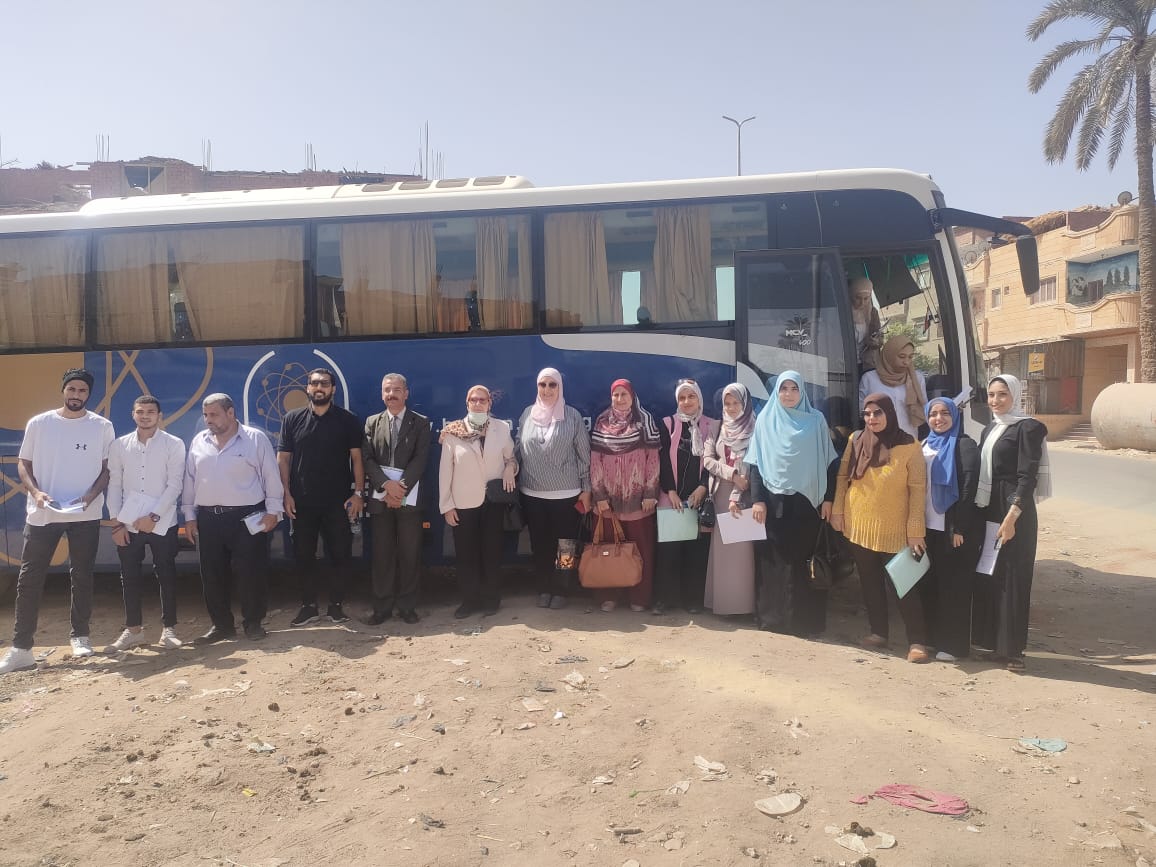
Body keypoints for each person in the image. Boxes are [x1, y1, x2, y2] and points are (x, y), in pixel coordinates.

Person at [0, 369, 114, 674]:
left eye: (82, 390)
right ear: (63, 390)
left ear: (89, 394)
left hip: (85, 514)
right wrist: (36, 492)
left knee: (82, 575)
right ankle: (21, 649)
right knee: (30, 578)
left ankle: (81, 636)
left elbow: (107, 469)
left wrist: (90, 496)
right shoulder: (40, 423)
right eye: (71, 389)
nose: (76, 395)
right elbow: (23, 463)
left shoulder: (102, 426)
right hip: (43, 514)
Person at [832, 393, 930, 663]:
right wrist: (838, 510)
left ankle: (917, 641)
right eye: (867, 413)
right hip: (858, 524)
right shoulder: (856, 439)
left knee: (904, 584)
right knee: (869, 581)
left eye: (877, 413)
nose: (872, 418)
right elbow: (843, 476)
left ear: (890, 413)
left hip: (896, 529)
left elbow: (918, 490)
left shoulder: (909, 446)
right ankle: (879, 633)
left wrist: (915, 530)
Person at [742, 371, 839, 635]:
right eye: (783, 388)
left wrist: (829, 499)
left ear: (802, 392)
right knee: (772, 561)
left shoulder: (816, 420)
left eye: (794, 388)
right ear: (776, 392)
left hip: (808, 502)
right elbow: (756, 464)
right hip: (773, 502)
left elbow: (830, 462)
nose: (788, 394)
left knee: (803, 561)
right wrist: (758, 501)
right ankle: (773, 619)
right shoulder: (765, 420)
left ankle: (806, 623)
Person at [183, 394, 284, 642]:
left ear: (230, 413)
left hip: (247, 517)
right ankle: (222, 626)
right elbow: (190, 480)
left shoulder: (255, 439)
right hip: (208, 518)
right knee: (212, 575)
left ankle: (253, 623)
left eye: (214, 414)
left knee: (251, 572)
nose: (208, 420)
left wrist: (274, 511)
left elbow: (271, 476)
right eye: (206, 415)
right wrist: (189, 516)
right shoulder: (199, 441)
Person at [972, 374, 1051, 672]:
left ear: (1015, 395)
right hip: (990, 507)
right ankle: (994, 646)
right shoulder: (990, 428)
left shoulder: (1027, 428)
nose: (995, 400)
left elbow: (1027, 477)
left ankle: (1014, 651)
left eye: (1002, 394)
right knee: (992, 574)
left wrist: (1012, 516)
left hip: (1014, 510)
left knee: (1014, 577)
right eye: (991, 394)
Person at [278, 368, 364, 628]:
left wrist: (358, 493)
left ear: (333, 389)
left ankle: (336, 606)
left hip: (338, 502)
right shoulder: (292, 419)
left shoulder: (347, 420)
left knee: (339, 554)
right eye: (314, 383)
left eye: (324, 383)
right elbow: (283, 459)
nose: (319, 388)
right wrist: (286, 494)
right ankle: (309, 607)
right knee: (304, 556)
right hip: (302, 503)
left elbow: (357, 459)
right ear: (307, 388)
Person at [106, 395, 187, 652]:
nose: (145, 416)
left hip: (162, 523)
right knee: (129, 576)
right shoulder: (119, 445)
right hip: (128, 524)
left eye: (151, 411)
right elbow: (114, 484)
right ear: (133, 414)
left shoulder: (173, 444)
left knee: (166, 574)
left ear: (159, 416)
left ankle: (169, 630)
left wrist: (153, 517)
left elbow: (175, 484)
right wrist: (116, 524)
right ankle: (133, 631)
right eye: (140, 411)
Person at [515, 367, 592, 610]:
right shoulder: (527, 414)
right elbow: (517, 449)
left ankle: (561, 589)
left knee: (565, 546)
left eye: (552, 385)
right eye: (543, 384)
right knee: (540, 545)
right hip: (532, 494)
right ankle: (544, 588)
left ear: (560, 387)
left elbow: (584, 456)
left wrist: (586, 489)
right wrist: (508, 465)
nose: (547, 390)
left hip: (566, 495)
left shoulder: (572, 416)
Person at [439, 385, 518, 618]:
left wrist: (510, 469)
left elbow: (511, 458)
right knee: (466, 555)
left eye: (482, 400)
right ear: (467, 403)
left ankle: (491, 600)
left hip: (493, 502)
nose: (478, 403)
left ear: (489, 403)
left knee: (492, 553)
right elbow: (445, 471)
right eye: (473, 400)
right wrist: (447, 505)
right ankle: (469, 601)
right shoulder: (452, 431)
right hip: (463, 504)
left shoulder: (501, 428)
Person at [363, 373, 431, 625]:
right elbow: (367, 458)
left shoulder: (420, 422)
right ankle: (382, 608)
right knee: (382, 556)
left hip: (408, 499)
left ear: (406, 393)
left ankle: (407, 607)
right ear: (382, 394)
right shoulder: (372, 422)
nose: (391, 394)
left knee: (409, 554)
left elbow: (420, 459)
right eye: (387, 390)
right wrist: (386, 486)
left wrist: (400, 489)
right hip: (381, 499)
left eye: (396, 390)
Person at [589, 379, 661, 612]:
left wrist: (650, 493)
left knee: (640, 551)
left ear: (632, 397)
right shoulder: (602, 422)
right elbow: (595, 461)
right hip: (607, 502)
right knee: (608, 549)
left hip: (638, 500)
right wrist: (599, 496)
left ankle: (639, 598)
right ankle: (609, 596)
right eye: (616, 395)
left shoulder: (644, 421)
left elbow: (653, 460)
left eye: (624, 395)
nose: (619, 399)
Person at [920, 397, 982, 662]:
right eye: (933, 413)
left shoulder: (965, 445)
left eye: (945, 413)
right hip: (927, 528)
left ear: (955, 416)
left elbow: (968, 488)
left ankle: (954, 646)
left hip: (952, 530)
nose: (938, 418)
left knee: (953, 587)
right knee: (930, 584)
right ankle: (932, 639)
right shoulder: (924, 444)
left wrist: (960, 528)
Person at [654, 379, 718, 615]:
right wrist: (670, 490)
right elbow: (661, 460)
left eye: (691, 396)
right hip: (671, 498)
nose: (687, 401)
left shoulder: (711, 425)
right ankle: (665, 599)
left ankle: (693, 600)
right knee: (668, 552)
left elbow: (714, 459)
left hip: (699, 498)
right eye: (682, 398)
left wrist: (703, 488)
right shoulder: (667, 424)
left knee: (696, 551)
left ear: (699, 399)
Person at [702, 383, 757, 616]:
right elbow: (707, 460)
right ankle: (723, 604)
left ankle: (743, 606)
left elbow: (752, 462)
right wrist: (732, 474)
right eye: (728, 403)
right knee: (723, 551)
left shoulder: (755, 428)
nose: (732, 407)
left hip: (745, 493)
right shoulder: (716, 427)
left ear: (745, 404)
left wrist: (737, 489)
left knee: (743, 552)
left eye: (736, 403)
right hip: (721, 494)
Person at [858, 334, 928, 439]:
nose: (906, 362)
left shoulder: (916, 378)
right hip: (878, 440)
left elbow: (925, 407)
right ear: (889, 355)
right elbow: (861, 410)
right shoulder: (869, 378)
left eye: (910, 357)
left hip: (908, 440)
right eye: (902, 356)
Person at [850, 276, 883, 371]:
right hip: (846, 364)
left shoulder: (873, 312)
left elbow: (880, 339)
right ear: (851, 295)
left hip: (868, 365)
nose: (862, 303)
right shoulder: (842, 312)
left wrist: (875, 342)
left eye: (866, 298)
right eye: (858, 298)